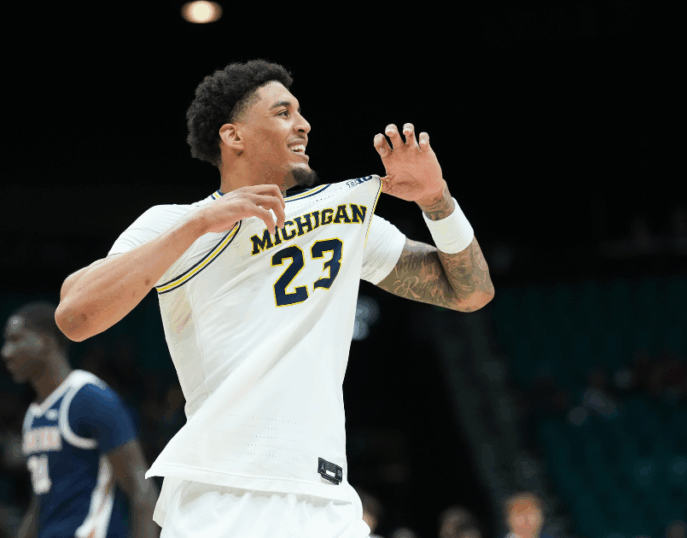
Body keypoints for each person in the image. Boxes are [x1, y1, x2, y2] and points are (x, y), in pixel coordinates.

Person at [55, 60, 494, 537]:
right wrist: (200, 224)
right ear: (234, 136)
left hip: (326, 498)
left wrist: (437, 201)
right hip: (221, 496)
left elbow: (470, 292)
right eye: (284, 112)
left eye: (300, 113)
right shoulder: (178, 222)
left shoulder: (341, 216)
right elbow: (75, 314)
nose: (304, 124)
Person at [2, 301, 159, 538]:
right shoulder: (33, 415)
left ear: (47, 341)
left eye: (16, 340)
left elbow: (141, 489)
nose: (6, 352)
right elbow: (41, 502)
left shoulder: (89, 396)